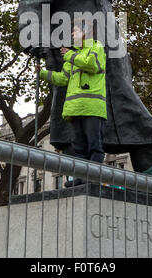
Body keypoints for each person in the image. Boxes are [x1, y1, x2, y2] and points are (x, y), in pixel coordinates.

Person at [19, 0, 152, 179]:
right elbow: (31, 1)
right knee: (72, 121)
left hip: (109, 57)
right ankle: (79, 175)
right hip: (74, 55)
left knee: (132, 114)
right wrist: (36, 38)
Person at [36, 22, 107, 186]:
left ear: (86, 32)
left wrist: (69, 55)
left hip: (92, 108)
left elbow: (91, 64)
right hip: (75, 109)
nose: (72, 35)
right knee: (79, 148)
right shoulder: (73, 56)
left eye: (75, 31)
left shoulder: (96, 47)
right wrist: (43, 73)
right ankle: (80, 178)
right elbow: (62, 78)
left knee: (94, 146)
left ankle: (93, 178)